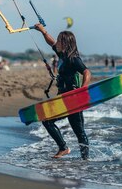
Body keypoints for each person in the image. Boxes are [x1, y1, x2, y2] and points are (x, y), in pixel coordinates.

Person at [34, 24, 91, 159]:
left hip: (72, 98)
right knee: (48, 121)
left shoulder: (73, 59)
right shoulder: (63, 55)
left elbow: (87, 72)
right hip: (63, 98)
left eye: (60, 40)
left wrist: (83, 90)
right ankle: (65, 149)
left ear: (65, 43)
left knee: (79, 131)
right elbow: (51, 42)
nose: (57, 42)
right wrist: (43, 31)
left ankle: (84, 160)